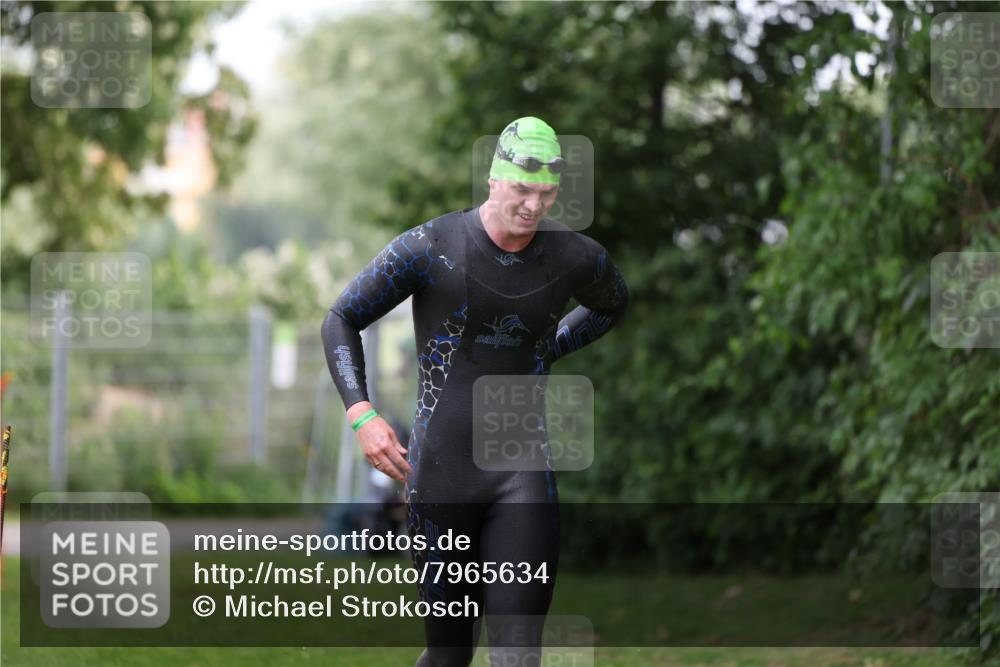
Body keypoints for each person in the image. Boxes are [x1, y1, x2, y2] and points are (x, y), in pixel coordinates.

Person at [321, 116, 629, 666]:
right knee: (449, 656)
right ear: (494, 177)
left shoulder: (573, 257)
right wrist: (362, 414)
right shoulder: (431, 246)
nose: (533, 206)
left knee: (516, 656)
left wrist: (547, 349)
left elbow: (613, 303)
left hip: (521, 475)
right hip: (441, 477)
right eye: (521, 188)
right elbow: (341, 317)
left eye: (547, 192)